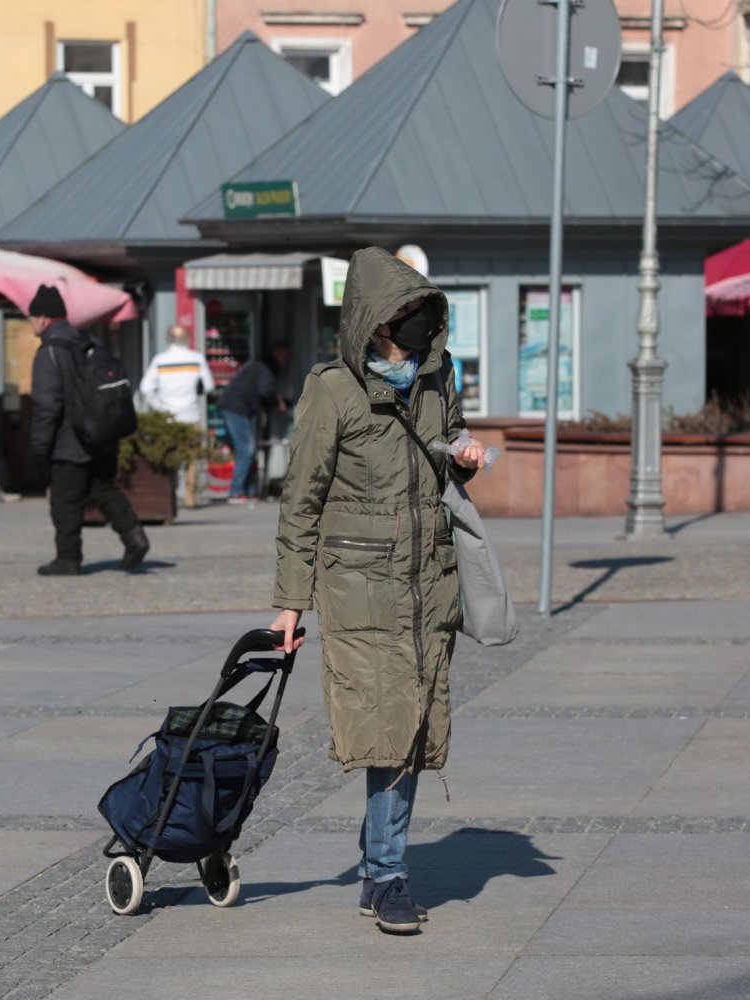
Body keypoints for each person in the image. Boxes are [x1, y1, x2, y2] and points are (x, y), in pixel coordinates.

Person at [267, 247, 487, 935]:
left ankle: (375, 869)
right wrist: (290, 603)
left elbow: (447, 450)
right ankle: (389, 876)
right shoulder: (333, 390)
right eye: (408, 310)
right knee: (389, 730)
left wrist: (466, 457)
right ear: (377, 319)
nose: (421, 321)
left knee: (413, 728)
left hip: (429, 584)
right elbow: (300, 502)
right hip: (360, 589)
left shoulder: (438, 377)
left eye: (426, 309)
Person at [28, 284, 149, 577]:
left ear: (43, 318)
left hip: (69, 442)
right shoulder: (88, 341)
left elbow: (47, 406)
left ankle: (68, 558)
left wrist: (40, 447)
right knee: (102, 489)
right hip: (101, 434)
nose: (30, 323)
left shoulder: (50, 351)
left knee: (65, 501)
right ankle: (134, 535)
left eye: (31, 317)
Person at [139, 324, 215, 508]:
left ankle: (168, 493)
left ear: (169, 339)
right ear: (187, 338)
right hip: (191, 416)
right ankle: (190, 497)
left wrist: (159, 406)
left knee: (168, 457)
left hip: (168, 418)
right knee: (191, 458)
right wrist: (196, 392)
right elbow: (209, 386)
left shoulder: (160, 360)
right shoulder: (196, 358)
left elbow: (145, 388)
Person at [215, 341, 291, 503]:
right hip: (236, 408)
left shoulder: (259, 365)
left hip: (235, 407)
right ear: (278, 353)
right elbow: (265, 390)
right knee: (246, 449)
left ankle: (248, 490)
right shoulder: (267, 366)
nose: (287, 360)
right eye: (285, 355)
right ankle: (236, 491)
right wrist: (276, 403)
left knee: (245, 449)